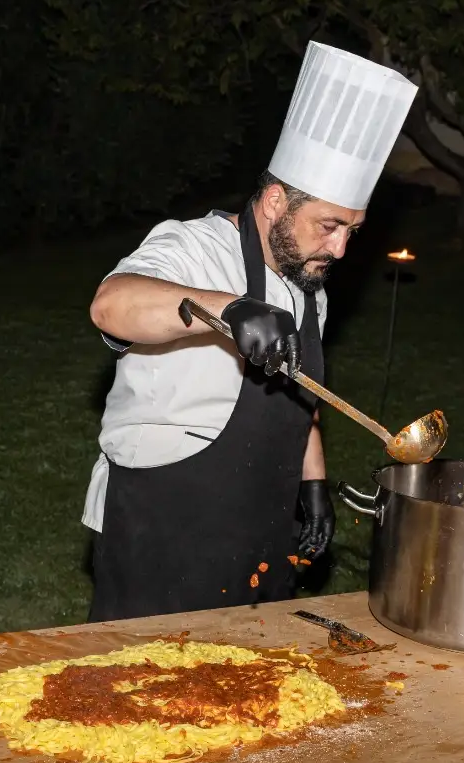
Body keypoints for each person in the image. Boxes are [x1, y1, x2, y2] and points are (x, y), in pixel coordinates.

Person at [83, 42, 418, 621]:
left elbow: (300, 390)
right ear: (273, 202)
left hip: (261, 523)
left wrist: (313, 483)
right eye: (330, 226)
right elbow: (111, 305)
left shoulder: (309, 277)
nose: (340, 247)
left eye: (352, 231)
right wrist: (227, 308)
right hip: (163, 527)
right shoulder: (192, 248)